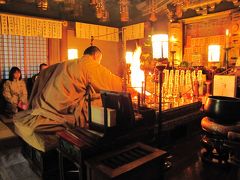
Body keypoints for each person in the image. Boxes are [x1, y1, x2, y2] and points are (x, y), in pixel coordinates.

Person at [13, 46, 123, 151]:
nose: (99, 63)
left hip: (45, 104)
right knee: (99, 100)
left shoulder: (68, 62)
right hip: (61, 110)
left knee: (93, 94)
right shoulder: (89, 64)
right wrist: (123, 82)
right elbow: (113, 82)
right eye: (99, 60)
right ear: (95, 55)